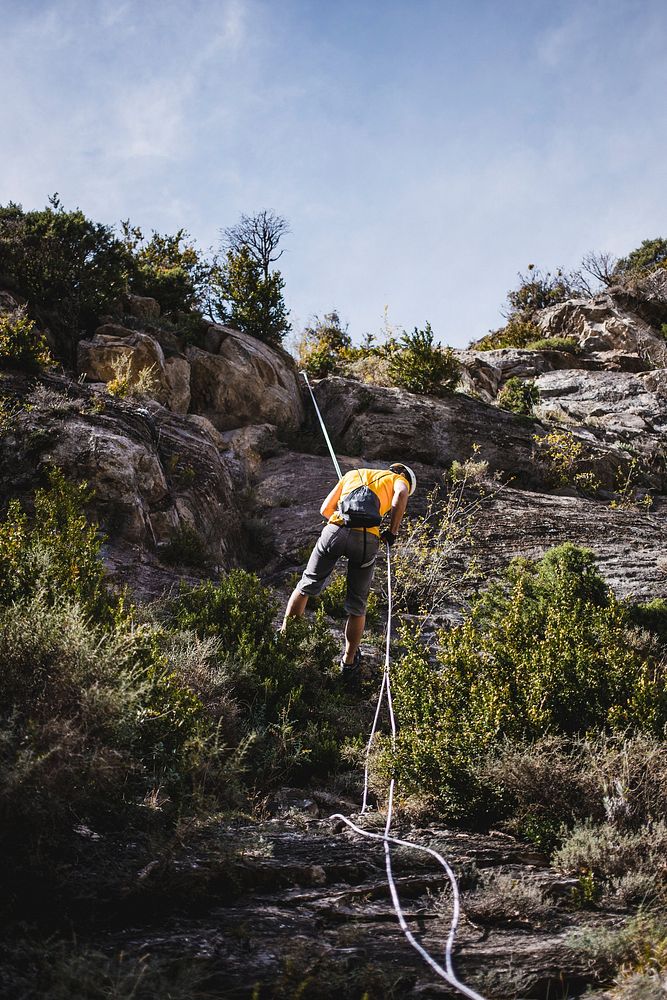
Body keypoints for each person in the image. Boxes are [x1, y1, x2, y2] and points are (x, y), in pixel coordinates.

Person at [282, 463, 417, 682]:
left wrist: (343, 523)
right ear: (402, 474)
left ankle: (287, 637)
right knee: (357, 605)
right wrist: (392, 532)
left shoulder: (353, 474)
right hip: (365, 539)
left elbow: (325, 509)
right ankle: (348, 660)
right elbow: (400, 496)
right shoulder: (399, 480)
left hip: (335, 530)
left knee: (306, 584)